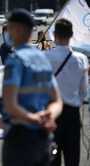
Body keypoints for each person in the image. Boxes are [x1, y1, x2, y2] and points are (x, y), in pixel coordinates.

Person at [2, 9, 63, 166]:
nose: (7, 31)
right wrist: (48, 116)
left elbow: (10, 104)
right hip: (43, 137)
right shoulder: (43, 59)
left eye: (9, 27)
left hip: (20, 137)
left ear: (19, 29)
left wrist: (34, 119)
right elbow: (57, 100)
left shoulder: (15, 60)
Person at [46, 19, 89, 166]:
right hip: (72, 116)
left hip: (52, 115)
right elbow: (84, 91)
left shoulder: (46, 57)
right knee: (72, 158)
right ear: (71, 35)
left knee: (53, 158)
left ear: (54, 35)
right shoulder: (82, 59)